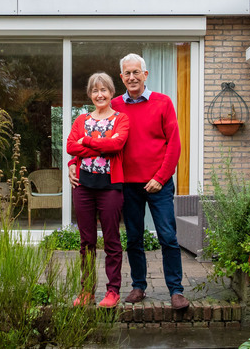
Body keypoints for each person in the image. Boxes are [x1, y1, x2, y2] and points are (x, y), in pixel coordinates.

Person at [69, 53, 187, 310]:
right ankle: (138, 286)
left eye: (136, 72)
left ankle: (176, 290)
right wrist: (71, 164)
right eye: (127, 73)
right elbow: (88, 142)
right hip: (126, 184)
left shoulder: (163, 102)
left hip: (159, 183)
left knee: (167, 236)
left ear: (145, 74)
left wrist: (160, 177)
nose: (132, 77)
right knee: (134, 238)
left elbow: (174, 145)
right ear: (121, 78)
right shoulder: (115, 107)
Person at [66, 72, 130, 308]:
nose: (99, 94)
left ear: (112, 92)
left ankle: (113, 291)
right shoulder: (81, 120)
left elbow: (117, 144)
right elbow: (70, 147)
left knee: (112, 240)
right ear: (90, 95)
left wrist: (88, 143)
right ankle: (87, 290)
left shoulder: (121, 119)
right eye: (95, 90)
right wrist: (101, 147)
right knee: (87, 242)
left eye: (104, 90)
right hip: (83, 187)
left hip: (110, 188)